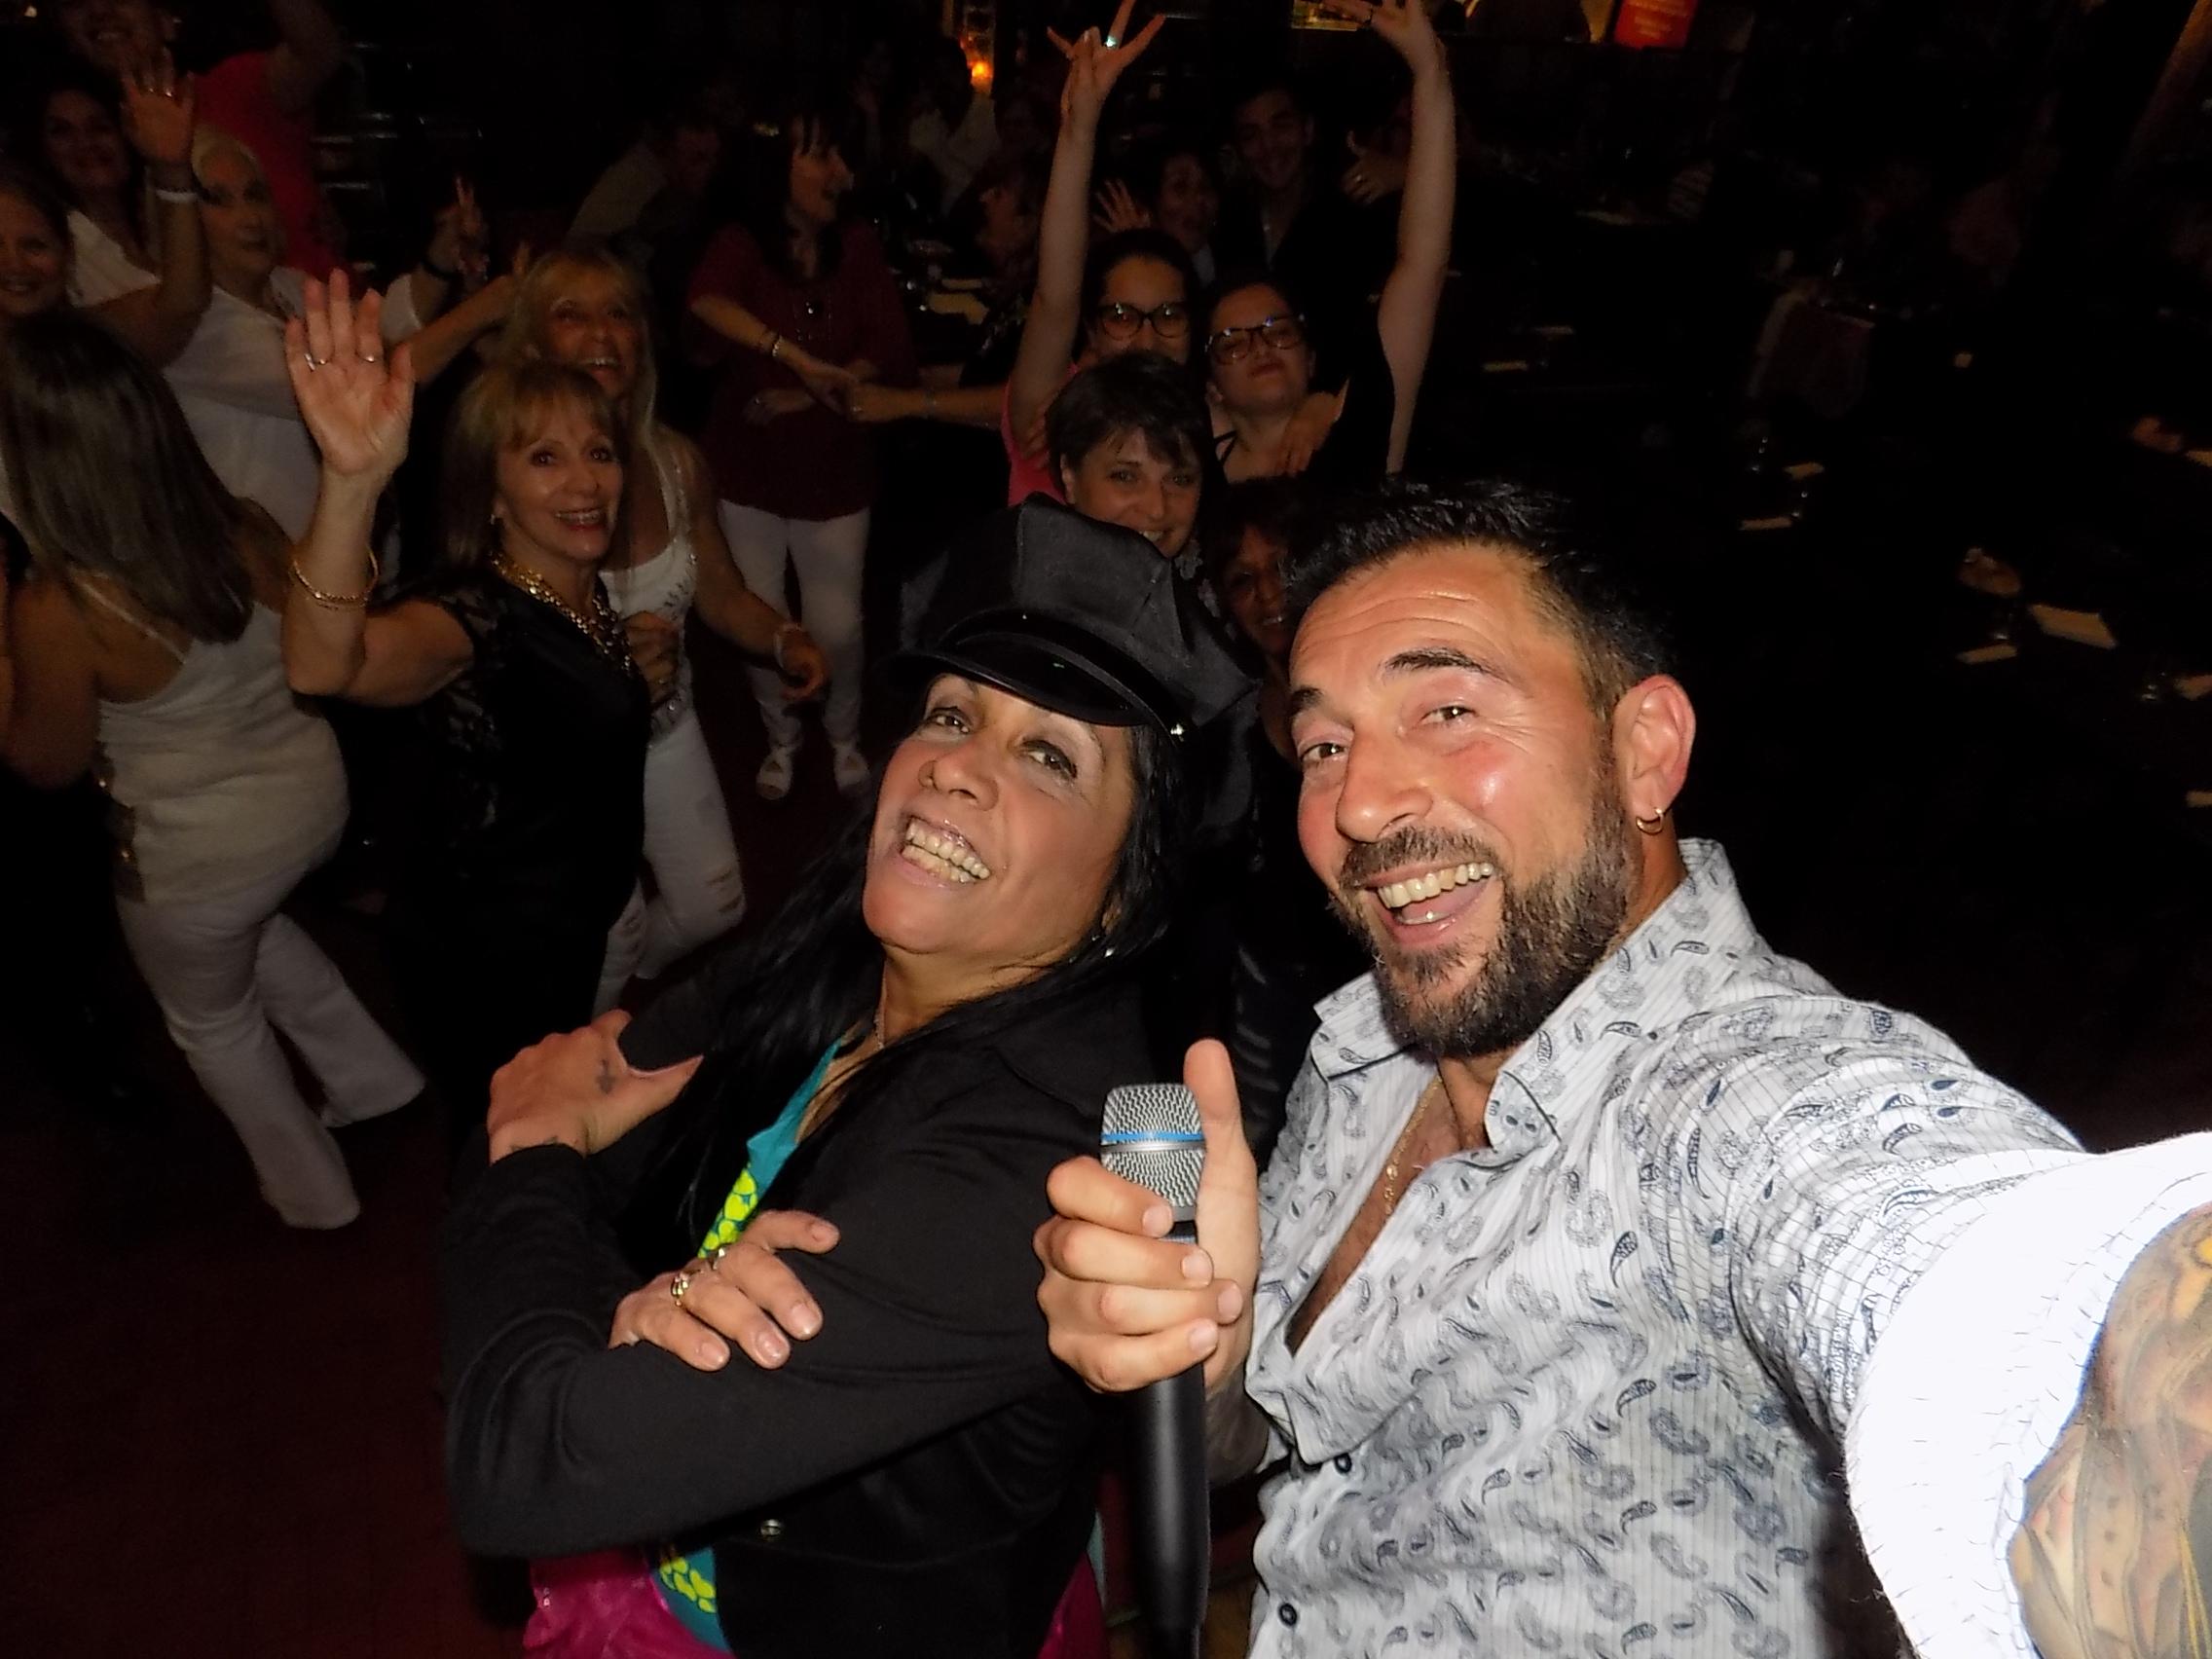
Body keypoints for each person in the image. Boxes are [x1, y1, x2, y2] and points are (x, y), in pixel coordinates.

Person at [1034, 475, 2212, 1659]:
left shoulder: (1738, 1095)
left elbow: (1966, 1266)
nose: (1362, 804)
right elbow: (1268, 1442)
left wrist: (2124, 1394)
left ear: (1644, 751)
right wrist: (1208, 1367)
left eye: (1446, 709)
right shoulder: (1367, 1052)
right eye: (1325, 745)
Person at [439, 498, 1247, 1659]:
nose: (957, 767)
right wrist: (636, 1301)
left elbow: (522, 1455)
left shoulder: (1029, 1167)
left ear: (1126, 892)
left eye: (1048, 756)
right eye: (953, 713)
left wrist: (534, 1164)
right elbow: (564, 1117)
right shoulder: (837, 947)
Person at [0, 310, 420, 1227]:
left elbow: (44, 761)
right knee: (248, 934)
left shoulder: (58, 605)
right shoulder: (240, 521)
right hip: (309, 802)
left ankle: (313, 1195)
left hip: (200, 851)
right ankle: (375, 1077)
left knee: (211, 1020)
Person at [280, 275, 649, 1135]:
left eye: (599, 452)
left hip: (565, 936)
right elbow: (325, 665)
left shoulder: (577, 593)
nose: (585, 482)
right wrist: (351, 481)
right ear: (491, 494)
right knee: (509, 1147)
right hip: (492, 960)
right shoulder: (473, 617)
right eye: (544, 459)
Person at [498, 246, 830, 999]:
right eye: (571, 315)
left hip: (664, 723)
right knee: (608, 932)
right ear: (533, 346)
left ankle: (612, 991)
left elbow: (723, 594)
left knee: (715, 907)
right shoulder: (503, 474)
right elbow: (478, 635)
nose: (602, 333)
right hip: (563, 752)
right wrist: (605, 664)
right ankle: (579, 1037)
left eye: (619, 313)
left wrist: (785, 637)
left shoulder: (677, 464)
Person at [686, 104, 916, 801]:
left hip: (834, 468)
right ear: (775, 169)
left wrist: (811, 391)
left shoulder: (858, 243)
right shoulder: (740, 242)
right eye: (821, 155)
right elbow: (705, 302)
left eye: (841, 156)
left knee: (837, 625)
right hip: (747, 470)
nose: (840, 173)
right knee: (764, 619)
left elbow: (888, 348)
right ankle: (781, 739)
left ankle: (843, 735)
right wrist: (794, 357)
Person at [164, 129, 509, 536]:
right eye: (219, 200)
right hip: (274, 564)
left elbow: (387, 327)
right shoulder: (195, 329)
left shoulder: (289, 286)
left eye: (255, 195)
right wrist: (482, 311)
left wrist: (443, 256)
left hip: (350, 545)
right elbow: (375, 378)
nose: (250, 218)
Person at [1205, 0, 1455, 487]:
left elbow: (1422, 264)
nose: (1260, 346)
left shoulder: (1348, 213)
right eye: (1234, 342)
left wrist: (1430, 74)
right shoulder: (1191, 469)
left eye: (1280, 332)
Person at [1200, 479, 1363, 1165]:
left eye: (1284, 567)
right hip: (1270, 981)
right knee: (1261, 1152)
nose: (1270, 594)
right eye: (1244, 581)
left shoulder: (1371, 694)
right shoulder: (1229, 713)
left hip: (1373, 974)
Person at [45, 0, 350, 276]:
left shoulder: (234, 91)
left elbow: (317, 51)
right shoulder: (79, 155)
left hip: (321, 306)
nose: (99, 9)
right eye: (75, 2)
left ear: (165, 20)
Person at [8, 60, 211, 364]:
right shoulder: (51, 250)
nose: (85, 143)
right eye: (62, 132)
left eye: (99, 127)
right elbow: (179, 307)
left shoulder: (171, 215)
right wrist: (173, 172)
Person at [1046, 349, 1211, 569]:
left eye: (1180, 480)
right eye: (1125, 477)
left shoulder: (1219, 580)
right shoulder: (1024, 584)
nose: (1157, 509)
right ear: (1069, 476)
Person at [1094, 132, 1225, 288]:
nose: (1199, 199)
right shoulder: (1102, 264)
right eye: (1180, 187)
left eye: (1206, 187)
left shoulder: (1220, 264)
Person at [905, 32, 997, 215]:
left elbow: (979, 184)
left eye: (951, 74)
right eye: (937, 77)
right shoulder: (926, 120)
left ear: (967, 74)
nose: (945, 84)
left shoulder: (992, 118)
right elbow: (905, 163)